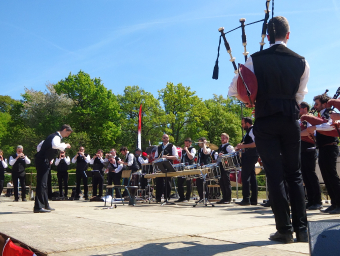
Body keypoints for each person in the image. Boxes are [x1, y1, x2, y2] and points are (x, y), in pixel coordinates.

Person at [228, 16, 309, 242]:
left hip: (265, 120)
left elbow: (234, 89)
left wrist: (250, 98)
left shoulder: (254, 60)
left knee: (274, 175)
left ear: (267, 36)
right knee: (294, 173)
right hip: (290, 119)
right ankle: (302, 230)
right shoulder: (302, 61)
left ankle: (284, 230)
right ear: (288, 35)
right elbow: (299, 96)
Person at [302, 94, 340, 214]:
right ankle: (334, 203)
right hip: (323, 148)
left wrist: (315, 128)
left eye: (317, 104)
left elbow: (330, 126)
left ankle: (339, 203)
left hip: (330, 147)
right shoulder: (322, 114)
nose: (315, 106)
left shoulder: (330, 112)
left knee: (332, 176)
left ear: (324, 103)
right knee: (327, 177)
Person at [34, 124, 72, 213]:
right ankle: (38, 207)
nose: (67, 135)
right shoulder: (56, 137)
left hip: (44, 160)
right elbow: (55, 145)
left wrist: (48, 157)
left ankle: (45, 204)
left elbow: (40, 146)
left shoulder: (51, 136)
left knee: (45, 184)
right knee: (41, 183)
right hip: (42, 161)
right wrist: (65, 145)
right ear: (64, 129)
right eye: (67, 133)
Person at [299, 102, 322, 210]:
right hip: (302, 150)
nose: (298, 111)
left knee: (311, 175)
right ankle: (311, 200)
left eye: (299, 108)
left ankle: (317, 201)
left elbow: (309, 132)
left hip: (309, 149)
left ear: (305, 109)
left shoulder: (309, 119)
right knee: (305, 176)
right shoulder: (301, 121)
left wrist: (297, 133)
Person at [235, 117, 259, 206]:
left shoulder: (252, 130)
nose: (242, 126)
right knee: (252, 177)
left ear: (247, 123)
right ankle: (253, 200)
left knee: (245, 176)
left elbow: (256, 143)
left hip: (250, 156)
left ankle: (246, 199)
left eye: (243, 124)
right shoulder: (248, 132)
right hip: (250, 155)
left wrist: (242, 147)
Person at [153, 134, 179, 202]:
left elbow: (176, 157)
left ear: (168, 139)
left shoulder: (172, 146)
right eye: (164, 138)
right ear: (162, 139)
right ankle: (158, 198)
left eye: (166, 138)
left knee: (168, 181)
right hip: (160, 165)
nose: (165, 139)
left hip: (168, 164)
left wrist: (167, 157)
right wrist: (158, 159)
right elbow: (155, 157)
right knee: (159, 181)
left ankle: (166, 197)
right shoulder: (158, 147)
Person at [214, 133, 235, 204]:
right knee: (221, 182)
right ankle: (224, 198)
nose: (222, 139)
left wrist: (224, 155)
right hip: (220, 165)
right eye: (221, 138)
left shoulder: (229, 146)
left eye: (224, 138)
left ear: (227, 139)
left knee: (226, 182)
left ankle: (228, 199)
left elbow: (233, 154)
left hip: (226, 166)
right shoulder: (220, 146)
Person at [175, 138, 196, 203]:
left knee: (188, 182)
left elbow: (191, 157)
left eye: (187, 143)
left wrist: (187, 150)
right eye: (185, 143)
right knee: (179, 182)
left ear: (190, 143)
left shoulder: (192, 149)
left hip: (189, 167)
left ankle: (187, 198)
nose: (186, 144)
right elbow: (182, 159)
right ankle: (181, 197)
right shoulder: (182, 150)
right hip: (183, 167)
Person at [196, 137, 211, 203]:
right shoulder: (199, 150)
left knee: (204, 183)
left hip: (205, 167)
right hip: (200, 167)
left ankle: (206, 198)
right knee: (198, 182)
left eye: (200, 142)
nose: (199, 143)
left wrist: (205, 144)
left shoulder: (208, 148)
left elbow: (205, 152)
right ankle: (201, 197)